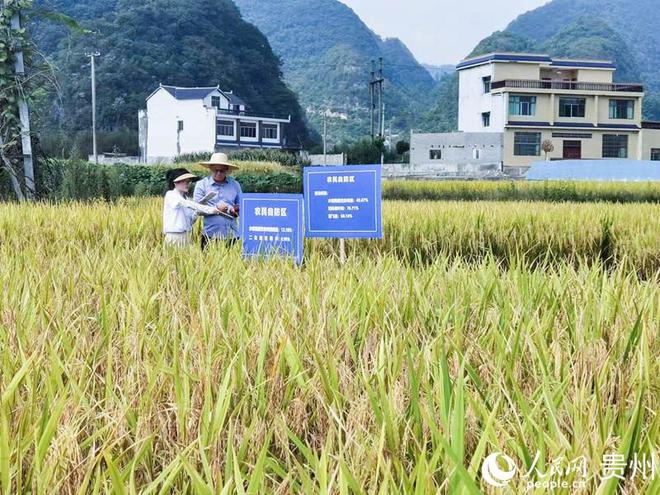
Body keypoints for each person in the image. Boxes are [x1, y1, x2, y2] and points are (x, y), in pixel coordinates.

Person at [193, 153, 242, 250]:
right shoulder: (201, 185)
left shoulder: (235, 185)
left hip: (231, 234)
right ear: (211, 168)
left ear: (227, 170)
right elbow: (197, 209)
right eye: (216, 170)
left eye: (222, 171)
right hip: (210, 234)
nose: (219, 173)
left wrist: (234, 210)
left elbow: (241, 206)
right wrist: (216, 209)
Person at [162, 168, 222, 247]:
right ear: (176, 182)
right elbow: (187, 204)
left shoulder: (186, 198)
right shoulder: (171, 195)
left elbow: (191, 221)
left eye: (189, 182)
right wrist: (211, 209)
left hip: (187, 235)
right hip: (174, 236)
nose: (188, 184)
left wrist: (198, 210)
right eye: (185, 182)